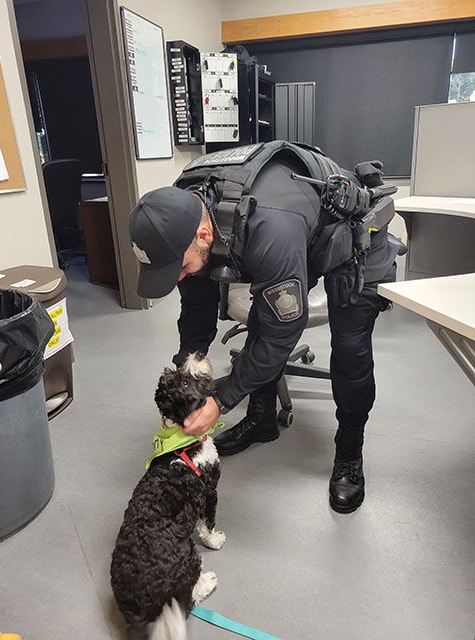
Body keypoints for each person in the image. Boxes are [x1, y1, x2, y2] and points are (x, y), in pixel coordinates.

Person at [129, 141, 398, 513]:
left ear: (203, 235)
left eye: (177, 267)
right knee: (261, 316)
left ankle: (349, 452)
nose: (176, 277)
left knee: (350, 352)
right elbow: (196, 301)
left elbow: (282, 331)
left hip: (354, 246)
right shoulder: (182, 211)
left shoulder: (268, 226)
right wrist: (186, 368)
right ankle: (261, 421)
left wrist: (221, 401)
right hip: (296, 235)